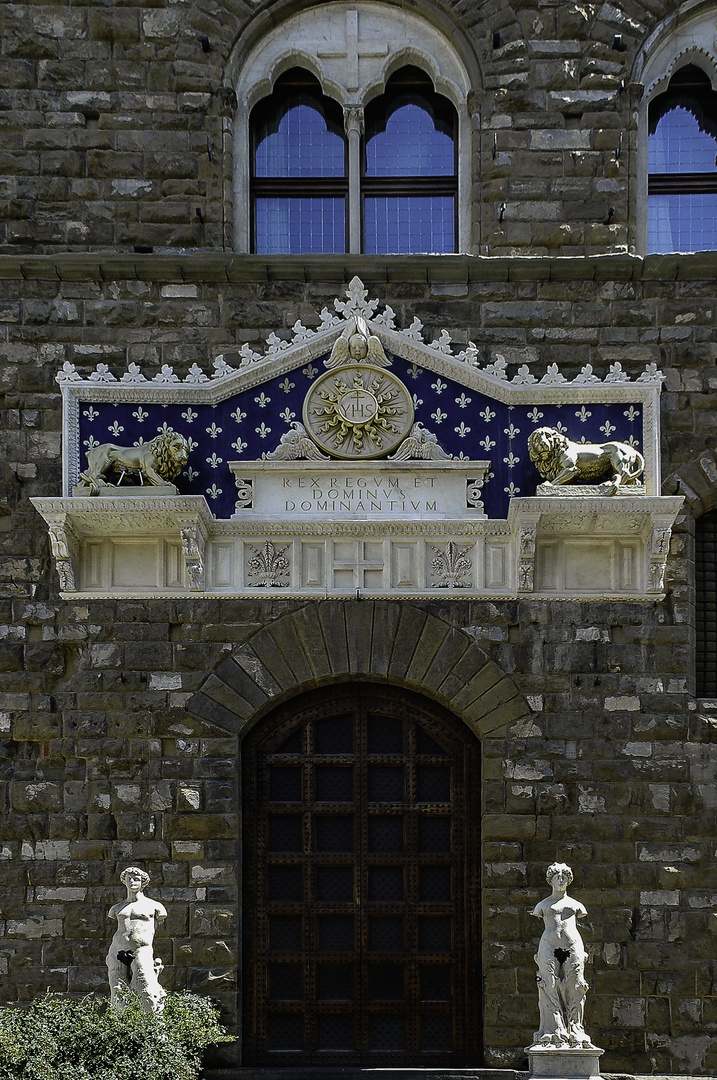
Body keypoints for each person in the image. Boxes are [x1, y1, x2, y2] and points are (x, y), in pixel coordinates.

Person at [530, 862, 594, 1048]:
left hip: (572, 945)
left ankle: (576, 1029)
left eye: (564, 877)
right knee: (548, 985)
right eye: (557, 877)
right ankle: (554, 1030)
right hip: (548, 945)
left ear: (569, 880)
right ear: (550, 880)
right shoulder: (542, 905)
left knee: (576, 986)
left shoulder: (576, 905)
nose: (560, 880)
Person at [106, 866, 167, 1014]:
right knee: (117, 990)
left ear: (143, 882)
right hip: (117, 950)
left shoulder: (154, 906)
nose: (132, 882)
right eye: (129, 879)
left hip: (141, 950)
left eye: (136, 879)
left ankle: (151, 1028)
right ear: (124, 882)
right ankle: (122, 1027)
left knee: (146, 987)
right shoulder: (117, 908)